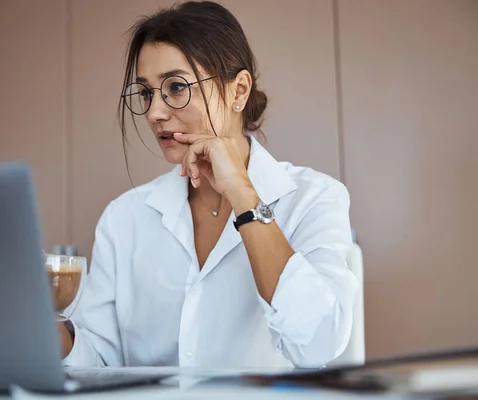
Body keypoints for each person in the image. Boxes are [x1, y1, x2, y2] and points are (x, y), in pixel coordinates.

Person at [59, 0, 358, 369]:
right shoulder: (123, 219)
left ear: (238, 91)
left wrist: (245, 197)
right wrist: (44, 326)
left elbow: (318, 343)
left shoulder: (315, 199)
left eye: (176, 87)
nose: (154, 112)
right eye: (146, 93)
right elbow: (99, 364)